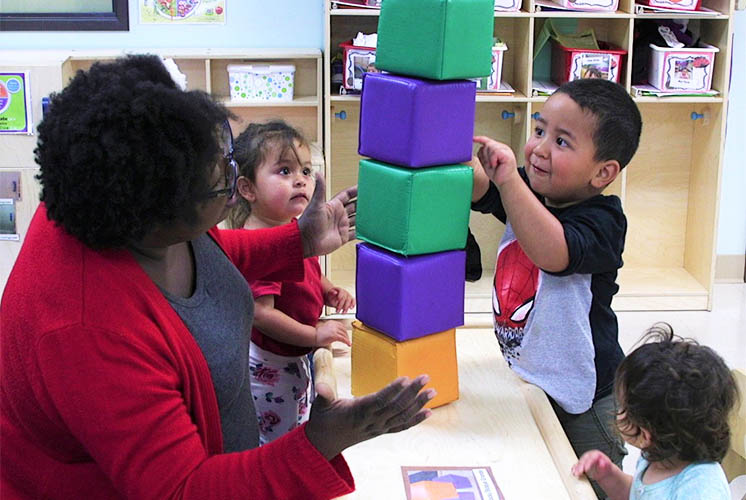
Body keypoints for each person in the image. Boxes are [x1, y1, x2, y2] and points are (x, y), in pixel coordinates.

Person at [0, 54, 434, 500]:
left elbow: (205, 253)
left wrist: (296, 242)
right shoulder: (87, 329)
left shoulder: (104, 202)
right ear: (157, 212)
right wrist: (322, 441)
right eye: (222, 185)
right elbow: (184, 490)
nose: (233, 190)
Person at [470, 78, 642, 498]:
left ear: (603, 173)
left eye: (562, 142)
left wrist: (511, 182)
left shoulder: (604, 220)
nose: (540, 148)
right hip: (533, 374)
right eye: (539, 130)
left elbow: (555, 252)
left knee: (589, 484)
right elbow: (482, 189)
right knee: (539, 474)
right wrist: (450, 148)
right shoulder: (531, 187)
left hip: (587, 395)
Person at [227, 120, 355, 444]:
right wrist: (315, 334)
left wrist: (328, 290)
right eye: (284, 171)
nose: (300, 180)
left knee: (296, 421)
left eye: (306, 171)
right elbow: (261, 313)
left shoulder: (293, 229)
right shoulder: (262, 242)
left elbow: (309, 269)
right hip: (271, 368)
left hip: (293, 356)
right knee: (276, 440)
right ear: (247, 189)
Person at [572, 323, 737, 500]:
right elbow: (638, 495)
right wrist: (608, 476)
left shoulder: (701, 489)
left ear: (645, 434)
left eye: (623, 407)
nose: (617, 411)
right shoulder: (657, 456)